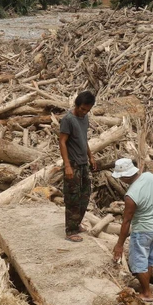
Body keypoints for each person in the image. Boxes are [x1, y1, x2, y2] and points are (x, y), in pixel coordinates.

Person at [111, 158, 153, 300]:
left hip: (143, 229)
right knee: (149, 259)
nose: (121, 180)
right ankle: (146, 288)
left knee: (138, 262)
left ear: (126, 176)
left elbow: (126, 221)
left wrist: (119, 244)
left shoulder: (131, 196)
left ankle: (146, 293)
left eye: (121, 177)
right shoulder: (150, 177)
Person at [59, 90, 97, 241]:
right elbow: (62, 142)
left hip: (83, 163)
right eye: (82, 109)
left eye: (87, 110)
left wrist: (91, 156)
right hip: (73, 163)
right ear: (76, 105)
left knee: (85, 195)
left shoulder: (85, 118)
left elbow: (83, 139)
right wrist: (67, 165)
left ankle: (76, 223)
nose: (84, 112)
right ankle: (70, 230)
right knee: (72, 197)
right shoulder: (68, 119)